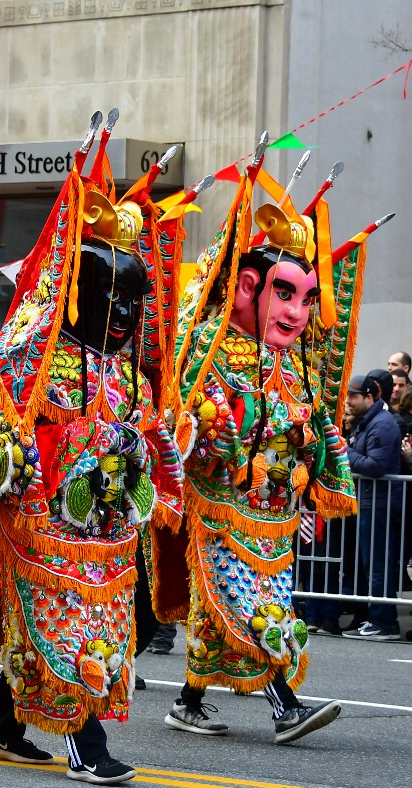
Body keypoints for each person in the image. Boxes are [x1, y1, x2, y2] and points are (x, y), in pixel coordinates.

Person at [0, 120, 185, 786]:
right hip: (44, 525)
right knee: (64, 622)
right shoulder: (22, 361)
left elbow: (154, 438)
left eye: (135, 299)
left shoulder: (128, 372)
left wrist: (156, 458)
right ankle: (86, 741)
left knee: (102, 622)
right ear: (72, 292)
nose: (127, 314)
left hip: (108, 525)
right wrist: (16, 455)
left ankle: (4, 725)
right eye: (112, 298)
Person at [165, 169, 362, 744]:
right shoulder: (209, 347)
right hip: (221, 505)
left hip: (274, 514)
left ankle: (188, 700)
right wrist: (207, 423)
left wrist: (321, 473)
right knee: (244, 602)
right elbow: (185, 415)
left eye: (306, 299)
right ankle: (285, 705)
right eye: (284, 293)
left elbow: (315, 425)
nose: (297, 313)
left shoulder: (296, 366)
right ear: (248, 286)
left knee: (231, 607)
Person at [342, 373, 403, 640]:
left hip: (380, 504)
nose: (348, 402)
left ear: (369, 397)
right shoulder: (369, 421)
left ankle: (384, 621)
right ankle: (377, 618)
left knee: (378, 564)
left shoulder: (382, 424)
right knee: (371, 564)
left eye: (353, 397)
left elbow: (375, 466)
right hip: (370, 502)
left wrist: (346, 452)